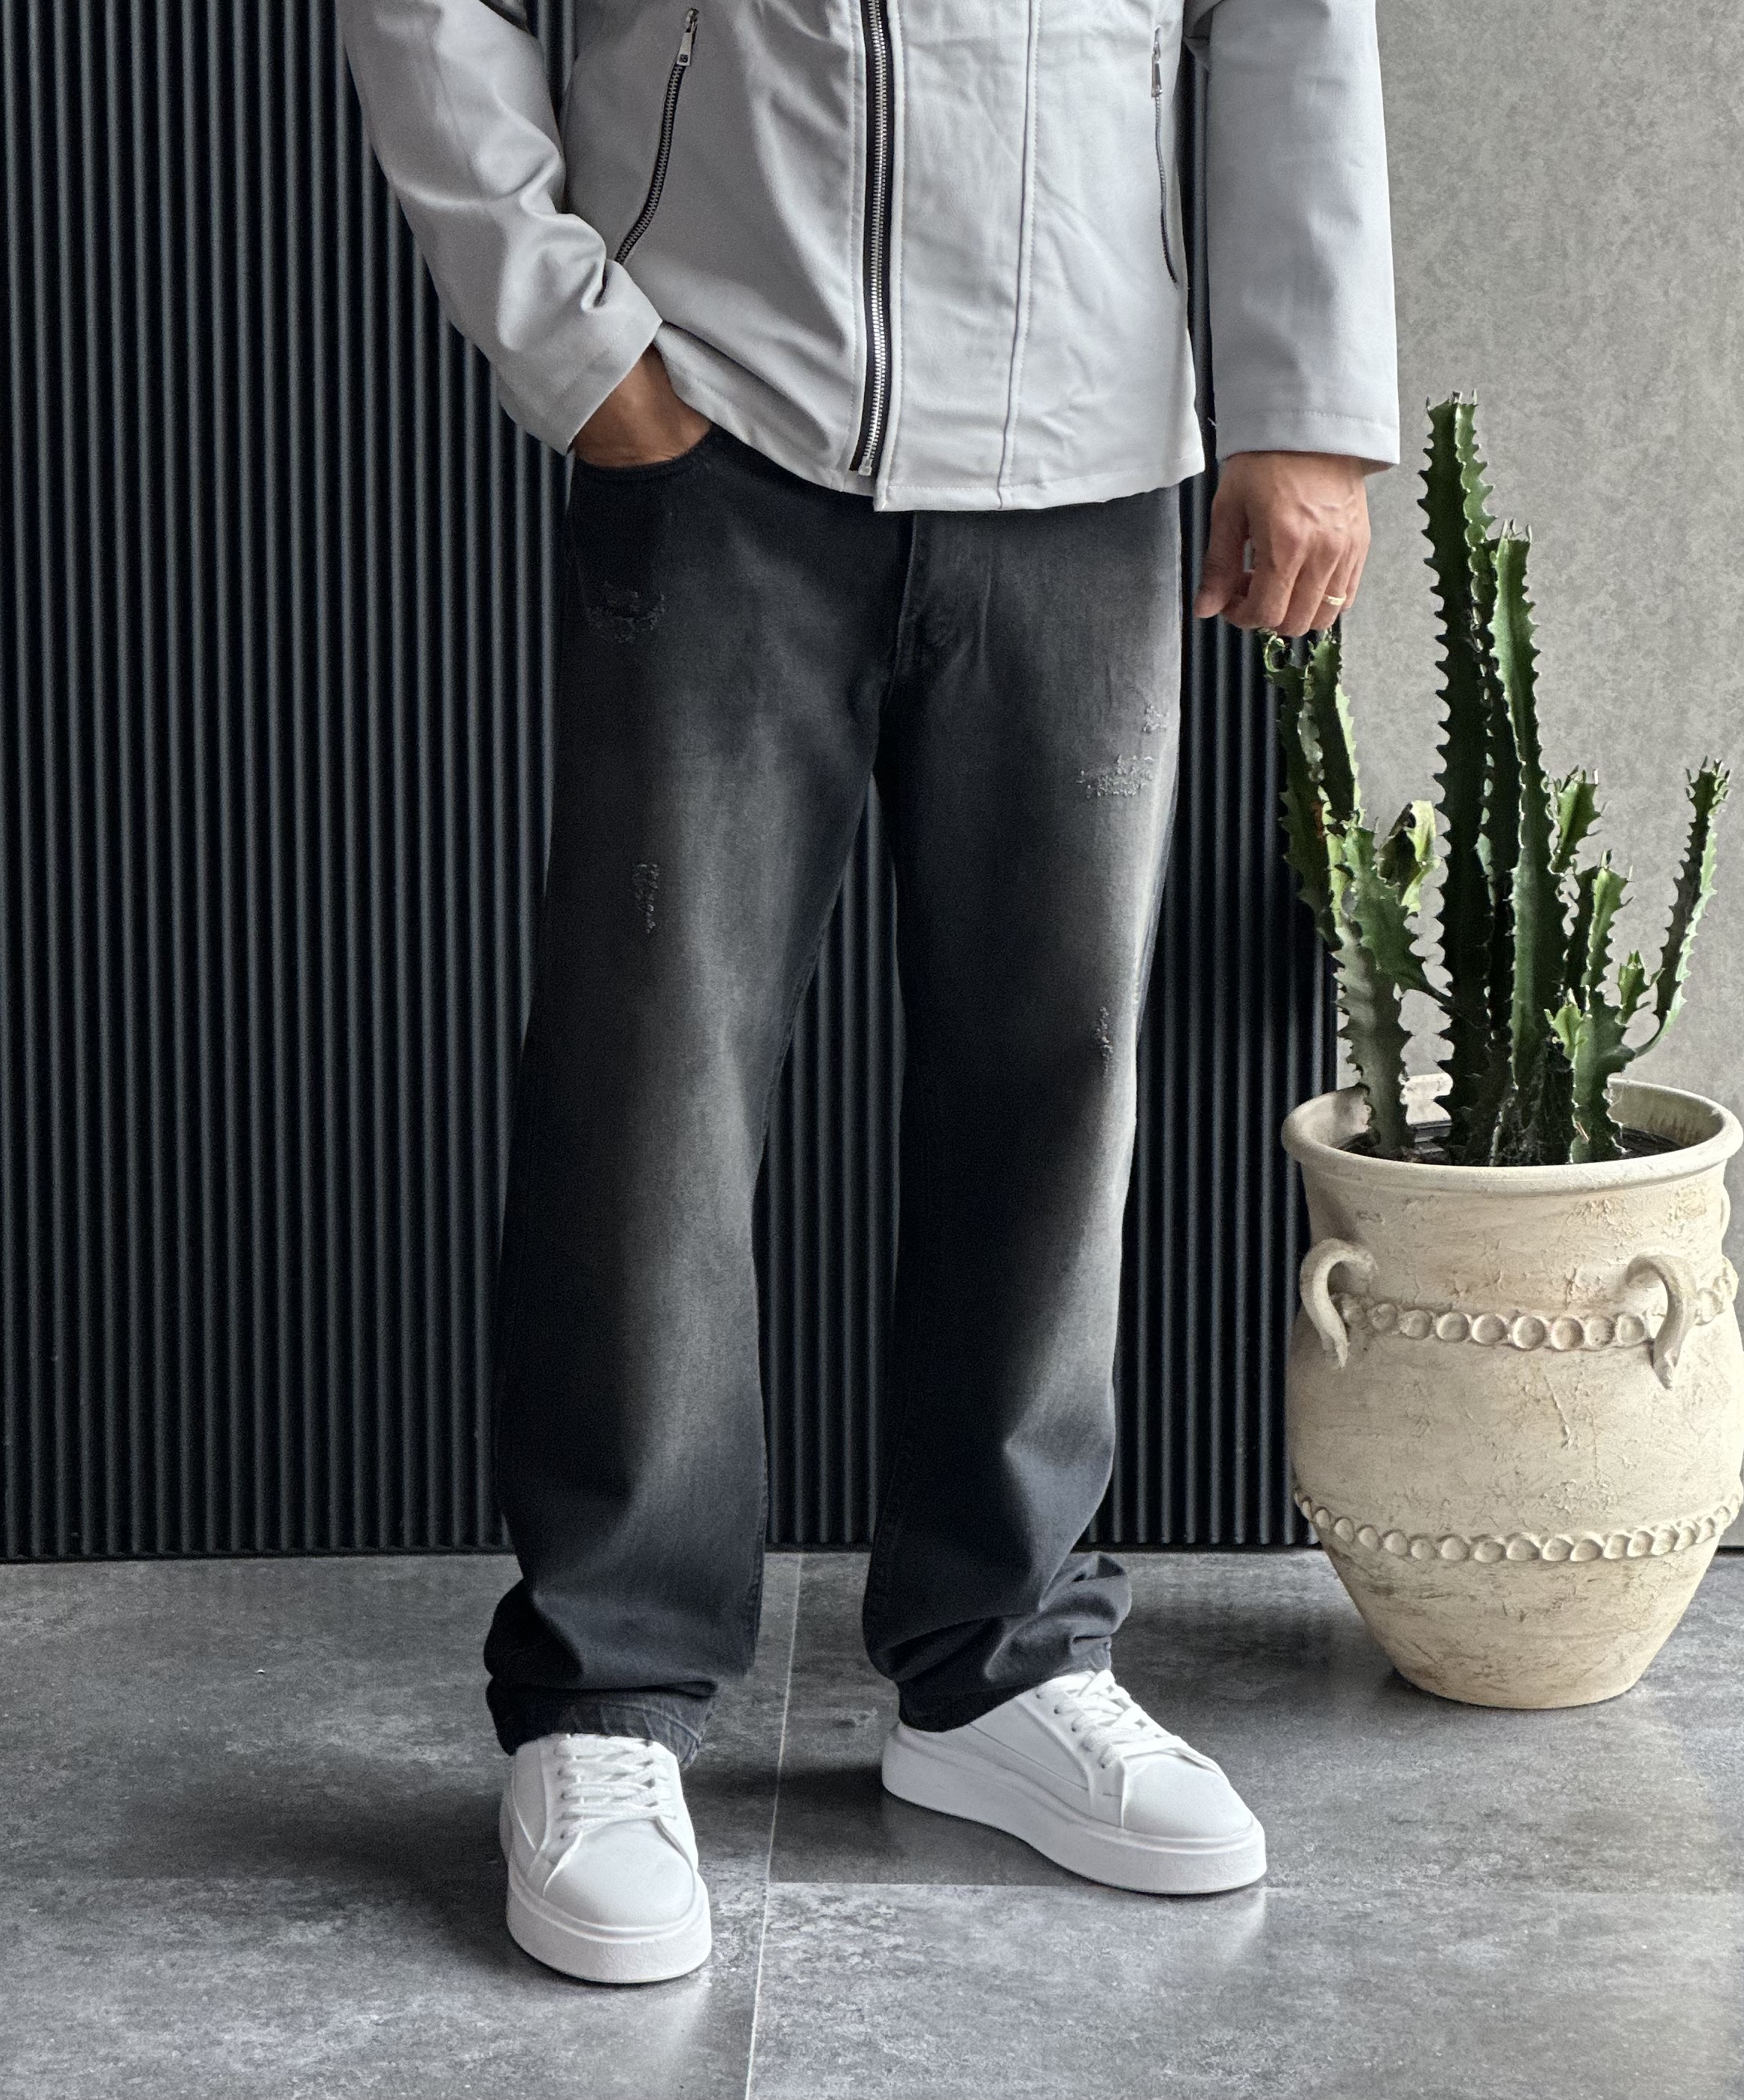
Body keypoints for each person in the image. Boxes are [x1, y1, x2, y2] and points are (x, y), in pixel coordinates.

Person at [338, 0, 1397, 1985]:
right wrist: (562, 327)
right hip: (715, 402)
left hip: (1091, 414)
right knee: (652, 1075)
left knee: (1059, 1068)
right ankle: (605, 1689)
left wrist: (1306, 401)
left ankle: (1001, 1663)